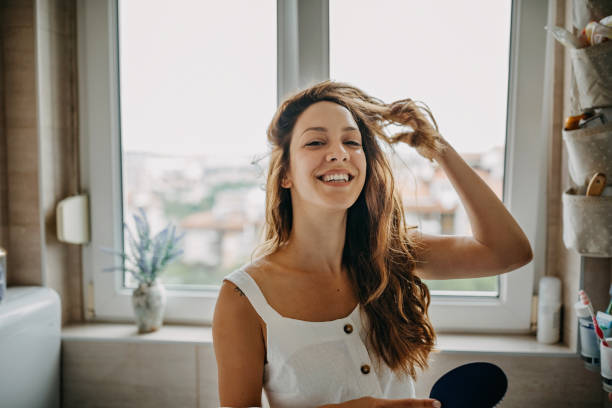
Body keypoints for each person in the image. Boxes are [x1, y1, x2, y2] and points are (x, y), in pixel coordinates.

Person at [212, 80, 533, 408]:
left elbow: (509, 251)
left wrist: (438, 148)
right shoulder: (243, 299)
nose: (338, 153)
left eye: (352, 141)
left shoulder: (391, 256)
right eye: (316, 142)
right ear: (286, 174)